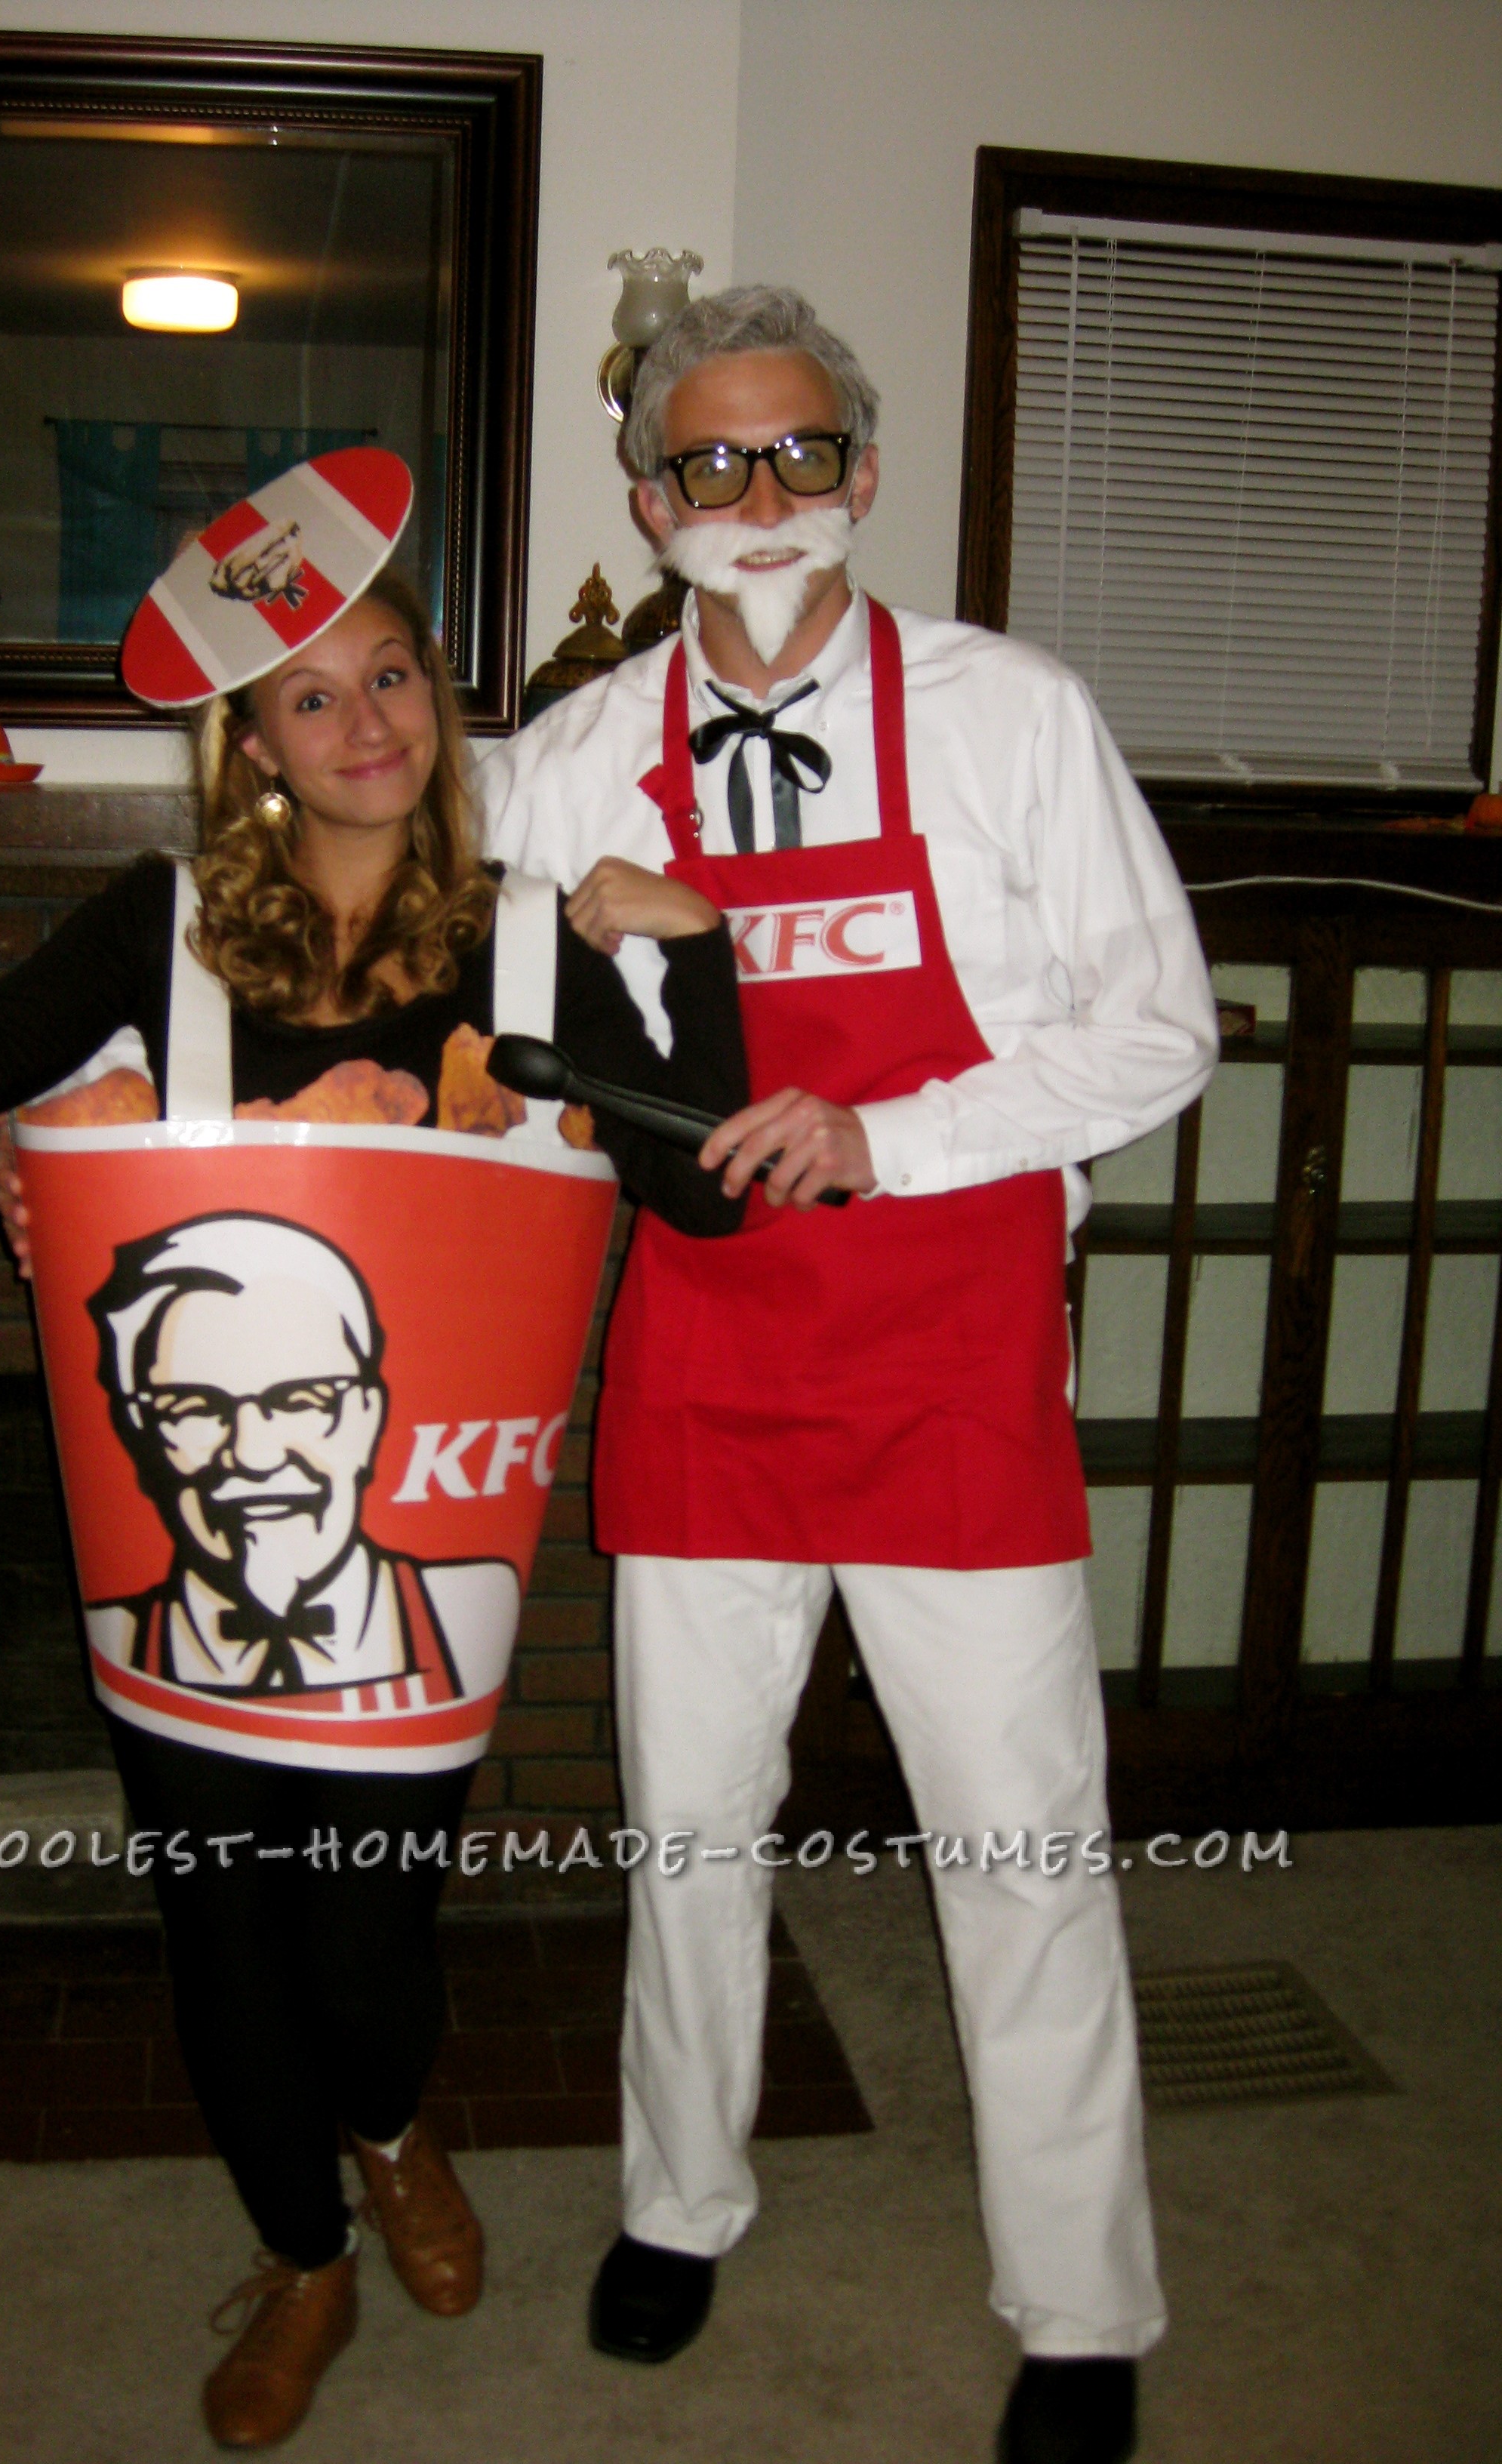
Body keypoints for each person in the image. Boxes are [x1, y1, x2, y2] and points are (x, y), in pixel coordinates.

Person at [0, 556, 746, 2453]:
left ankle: (392, 2123)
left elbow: (710, 1189)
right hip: (170, 1554)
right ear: (246, 741)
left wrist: (695, 952)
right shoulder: (160, 928)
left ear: (437, 700)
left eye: (391, 675)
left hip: (422, 1556)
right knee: (222, 1923)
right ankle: (303, 2250)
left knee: (370, 1944)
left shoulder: (522, 945)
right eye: (308, 698)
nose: (366, 723)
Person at [479, 286, 1217, 2464]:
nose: (760, 498)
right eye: (711, 466)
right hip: (705, 1355)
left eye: (801, 455)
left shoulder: (1015, 718)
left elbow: (1158, 1027)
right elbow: (345, 909)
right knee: (692, 1827)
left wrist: (888, 1134)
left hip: (951, 1347)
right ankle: (679, 2203)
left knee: (1023, 1845)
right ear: (652, 500)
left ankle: (1082, 2313)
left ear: (864, 473)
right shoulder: (580, 751)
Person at [85, 1210, 519, 1714]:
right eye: (194, 1408)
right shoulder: (118, 1637)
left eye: (301, 1401)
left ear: (367, 1418)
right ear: (141, 1438)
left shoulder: (465, 1606)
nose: (253, 1455)